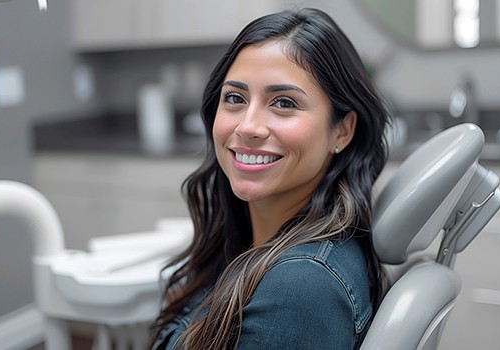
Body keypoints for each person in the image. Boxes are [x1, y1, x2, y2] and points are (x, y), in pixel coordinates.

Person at [150, 7, 390, 350]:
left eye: (283, 103)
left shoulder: (302, 288)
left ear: (342, 130)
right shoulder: (255, 247)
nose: (247, 127)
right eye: (235, 98)